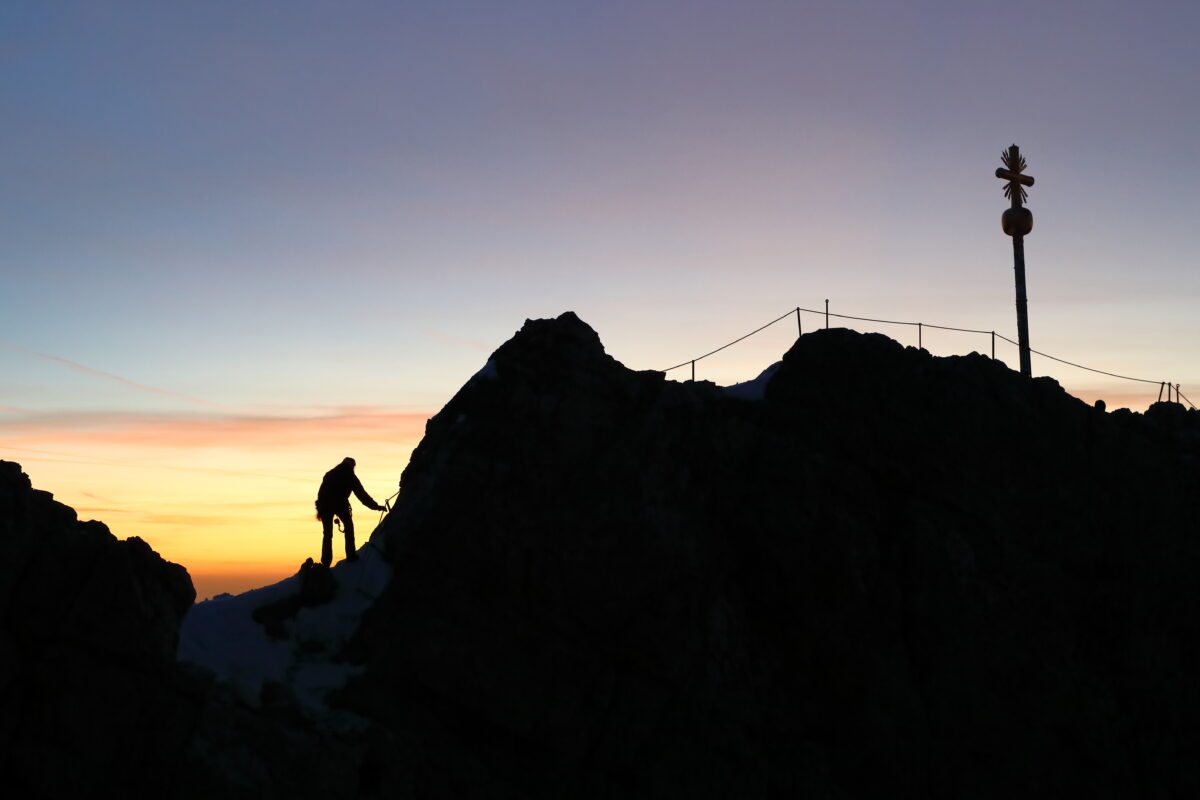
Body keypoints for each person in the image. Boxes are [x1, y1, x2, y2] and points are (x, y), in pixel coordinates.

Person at [315, 457, 384, 567]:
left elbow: (320, 493)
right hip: (339, 505)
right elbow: (362, 495)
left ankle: (326, 562)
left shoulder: (329, 474)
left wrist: (320, 509)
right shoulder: (350, 476)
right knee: (349, 528)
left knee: (327, 534)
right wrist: (376, 507)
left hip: (326, 506)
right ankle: (351, 556)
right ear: (352, 466)